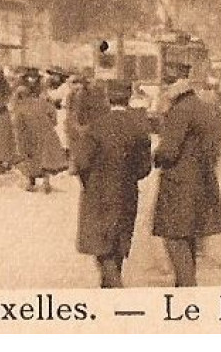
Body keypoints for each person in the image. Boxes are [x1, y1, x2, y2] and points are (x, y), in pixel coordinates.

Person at [151, 61, 221, 286]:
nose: (165, 88)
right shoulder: (203, 107)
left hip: (179, 184)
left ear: (177, 84)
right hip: (202, 180)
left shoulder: (180, 110)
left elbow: (168, 151)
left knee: (174, 240)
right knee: (190, 239)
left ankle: (186, 293)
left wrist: (155, 157)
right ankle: (187, 287)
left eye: (168, 83)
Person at [71, 78, 153, 288]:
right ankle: (109, 289)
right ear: (128, 98)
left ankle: (115, 291)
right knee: (118, 244)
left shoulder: (96, 126)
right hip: (126, 193)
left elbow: (80, 162)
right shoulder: (139, 128)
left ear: (108, 98)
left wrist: (88, 182)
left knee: (102, 246)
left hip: (98, 193)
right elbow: (144, 168)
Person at [11, 73, 67, 193]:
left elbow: (18, 125)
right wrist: (50, 125)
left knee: (30, 157)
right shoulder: (42, 102)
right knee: (45, 158)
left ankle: (31, 182)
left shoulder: (20, 107)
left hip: (30, 135)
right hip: (46, 133)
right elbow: (53, 115)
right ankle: (46, 182)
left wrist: (20, 138)